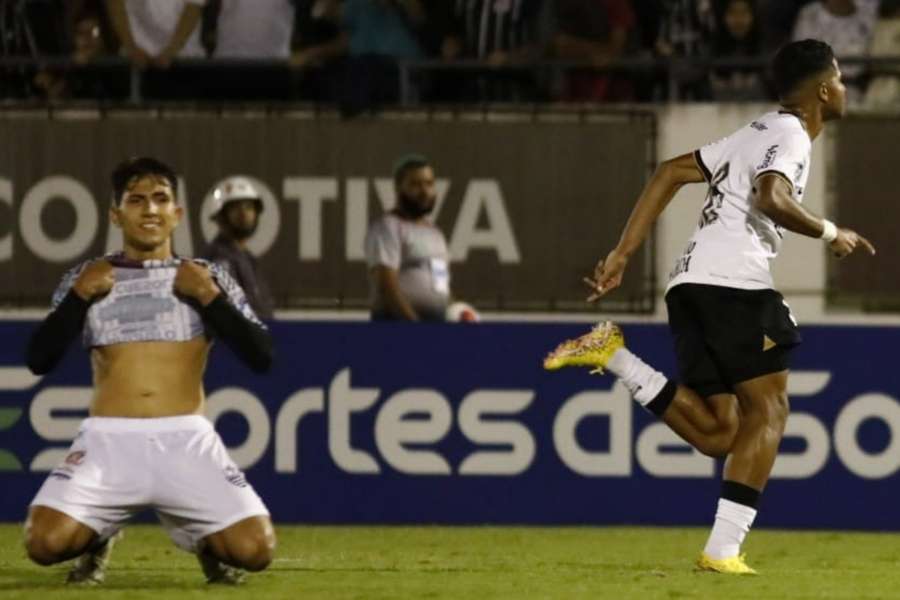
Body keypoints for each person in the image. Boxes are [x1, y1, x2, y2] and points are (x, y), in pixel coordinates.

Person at [543, 39, 875, 574]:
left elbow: (670, 171)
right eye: (838, 79)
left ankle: (614, 356)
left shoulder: (757, 131)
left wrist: (623, 253)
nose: (843, 89)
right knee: (771, 411)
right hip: (734, 285)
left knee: (721, 432)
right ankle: (723, 552)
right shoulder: (791, 135)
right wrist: (831, 231)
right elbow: (772, 196)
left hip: (689, 284)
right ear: (820, 89)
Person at [23, 157, 276, 585]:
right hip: (108, 441)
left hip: (187, 441)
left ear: (177, 214)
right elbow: (38, 359)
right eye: (136, 200)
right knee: (43, 543)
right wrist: (79, 297)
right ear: (115, 214)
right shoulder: (85, 277)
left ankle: (202, 541)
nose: (150, 210)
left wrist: (210, 298)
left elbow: (263, 357)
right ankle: (100, 535)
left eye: (161, 200)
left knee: (256, 550)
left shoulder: (207, 276)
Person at [364, 154, 451, 322]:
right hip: (397, 328)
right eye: (415, 185)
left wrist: (457, 313)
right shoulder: (388, 227)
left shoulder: (435, 234)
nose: (425, 191)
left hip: (435, 327)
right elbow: (386, 287)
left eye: (429, 184)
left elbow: (441, 287)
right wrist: (413, 327)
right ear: (398, 188)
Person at [203, 176, 275, 321]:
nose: (244, 213)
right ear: (221, 216)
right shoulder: (218, 257)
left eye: (249, 207)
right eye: (235, 208)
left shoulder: (248, 257)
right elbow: (229, 313)